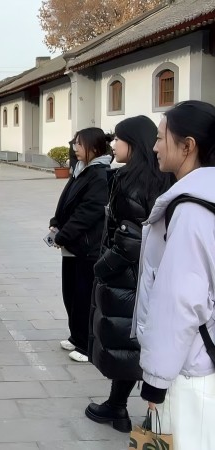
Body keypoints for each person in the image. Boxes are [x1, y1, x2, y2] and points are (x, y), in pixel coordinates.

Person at [132, 100, 215, 449]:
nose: (154, 147)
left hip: (190, 368)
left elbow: (179, 302)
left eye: (160, 137)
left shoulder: (191, 209)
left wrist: (155, 383)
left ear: (187, 146)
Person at [85, 116, 173, 432]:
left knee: (128, 341)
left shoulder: (130, 181)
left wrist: (102, 267)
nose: (113, 145)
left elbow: (129, 238)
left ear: (132, 144)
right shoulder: (163, 177)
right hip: (153, 274)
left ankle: (118, 407)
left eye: (118, 139)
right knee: (145, 342)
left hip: (128, 277)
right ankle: (143, 411)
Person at [49, 128, 111, 362]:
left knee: (84, 297)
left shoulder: (100, 174)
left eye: (79, 144)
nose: (75, 148)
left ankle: (87, 345)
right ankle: (76, 336)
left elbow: (88, 212)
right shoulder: (81, 169)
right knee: (71, 294)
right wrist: (56, 222)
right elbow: (67, 202)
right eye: (74, 143)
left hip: (87, 247)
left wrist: (63, 235)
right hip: (73, 246)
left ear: (94, 147)